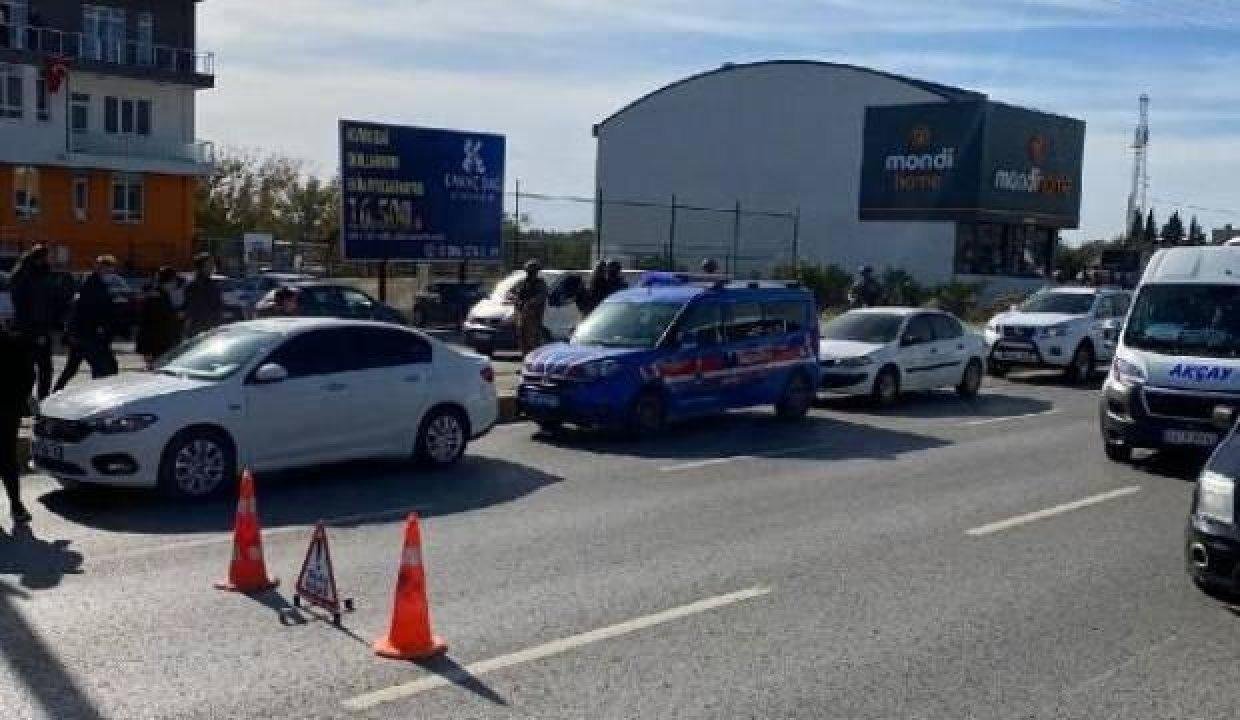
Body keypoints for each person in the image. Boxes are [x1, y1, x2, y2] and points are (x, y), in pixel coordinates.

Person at [54, 255, 120, 392]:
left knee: (72, 368)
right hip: (88, 334)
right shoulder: (94, 286)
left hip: (80, 333)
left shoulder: (93, 283)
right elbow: (94, 311)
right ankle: (99, 394)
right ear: (101, 269)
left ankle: (55, 392)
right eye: (109, 270)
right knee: (104, 367)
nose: (111, 274)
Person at [9, 245, 58, 400]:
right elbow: (35, 306)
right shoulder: (33, 277)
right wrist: (40, 332)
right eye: (49, 256)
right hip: (34, 329)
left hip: (24, 327)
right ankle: (40, 400)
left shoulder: (23, 273)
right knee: (42, 368)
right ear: (41, 258)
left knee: (28, 367)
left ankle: (26, 399)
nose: (52, 259)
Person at [1, 328, 35, 523]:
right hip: (8, 410)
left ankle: (17, 505)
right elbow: (29, 375)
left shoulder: (14, 343)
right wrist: (19, 400)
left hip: (8, 408)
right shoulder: (14, 343)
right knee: (7, 459)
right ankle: (16, 506)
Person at [135, 267, 184, 369]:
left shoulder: (163, 295)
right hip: (158, 343)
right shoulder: (156, 297)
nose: (175, 284)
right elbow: (148, 323)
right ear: (170, 281)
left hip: (163, 342)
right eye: (174, 281)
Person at [510, 260, 549, 357]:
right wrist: (516, 298)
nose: (531, 274)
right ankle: (526, 359)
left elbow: (540, 297)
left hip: (533, 317)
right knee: (522, 339)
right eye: (529, 271)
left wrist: (529, 303)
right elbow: (512, 292)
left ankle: (534, 360)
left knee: (532, 340)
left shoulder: (540, 284)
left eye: (533, 271)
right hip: (521, 316)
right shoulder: (523, 283)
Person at [183, 253, 223, 338]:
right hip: (200, 330)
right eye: (210, 263)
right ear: (202, 267)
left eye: (213, 263)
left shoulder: (212, 283)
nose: (213, 266)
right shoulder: (194, 285)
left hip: (212, 329)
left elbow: (217, 305)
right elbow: (195, 310)